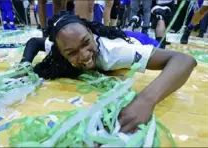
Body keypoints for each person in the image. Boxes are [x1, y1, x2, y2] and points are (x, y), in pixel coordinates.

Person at [21, 12, 197, 133]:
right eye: (72, 53)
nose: (83, 55)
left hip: (134, 41)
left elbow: (184, 60)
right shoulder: (64, 44)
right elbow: (34, 42)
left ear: (90, 32)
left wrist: (144, 101)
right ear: (61, 52)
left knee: (151, 46)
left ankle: (142, 28)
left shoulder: (114, 53)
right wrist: (24, 65)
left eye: (85, 43)